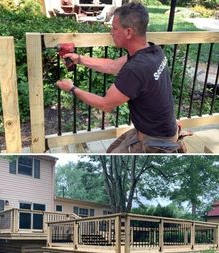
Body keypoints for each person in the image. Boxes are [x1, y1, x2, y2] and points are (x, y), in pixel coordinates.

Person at [56, 2, 183, 153]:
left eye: (114, 28)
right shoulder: (153, 51)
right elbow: (113, 66)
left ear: (128, 32)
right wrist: (79, 59)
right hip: (159, 130)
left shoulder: (136, 69)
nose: (111, 33)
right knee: (111, 151)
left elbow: (105, 105)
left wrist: (72, 88)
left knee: (112, 155)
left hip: (157, 141)